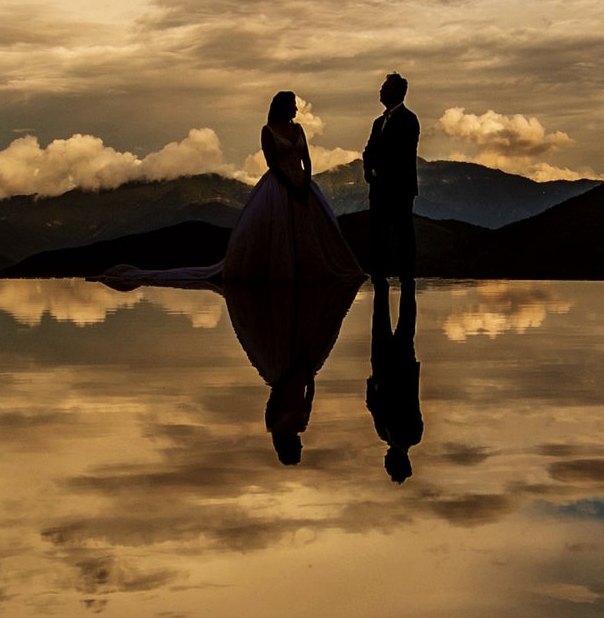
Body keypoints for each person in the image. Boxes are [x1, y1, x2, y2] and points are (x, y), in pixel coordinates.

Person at [97, 91, 365, 291]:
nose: (297, 108)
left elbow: (306, 158)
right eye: (293, 104)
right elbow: (273, 162)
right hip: (280, 186)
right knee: (280, 233)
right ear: (283, 107)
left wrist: (305, 182)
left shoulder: (298, 129)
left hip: (303, 187)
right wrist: (290, 185)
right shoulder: (268, 130)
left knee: (310, 232)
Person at [363, 72, 419, 285]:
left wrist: (383, 175)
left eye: (386, 87)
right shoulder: (378, 122)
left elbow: (403, 153)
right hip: (378, 188)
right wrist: (369, 173)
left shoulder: (408, 119)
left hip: (399, 188)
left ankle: (407, 275)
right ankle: (379, 274)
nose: (381, 90)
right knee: (378, 234)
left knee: (403, 233)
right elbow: (368, 150)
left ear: (398, 92)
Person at [367, 277, 421, 482]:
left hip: (394, 369)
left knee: (395, 320)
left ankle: (399, 283)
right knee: (392, 320)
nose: (385, 458)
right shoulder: (401, 434)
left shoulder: (392, 435)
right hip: (394, 370)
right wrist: (371, 387)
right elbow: (378, 405)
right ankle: (397, 283)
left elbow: (374, 405)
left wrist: (371, 387)